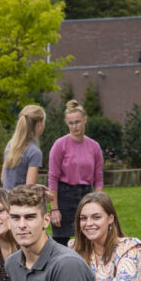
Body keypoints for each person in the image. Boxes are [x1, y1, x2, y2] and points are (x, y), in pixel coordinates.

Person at [48, 100, 104, 247]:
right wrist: (54, 208)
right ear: (67, 124)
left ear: (85, 120)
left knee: (89, 239)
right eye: (71, 123)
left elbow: (98, 178)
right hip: (64, 196)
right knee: (62, 243)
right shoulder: (60, 145)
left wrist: (99, 201)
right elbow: (52, 178)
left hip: (87, 195)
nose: (75, 126)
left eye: (78, 122)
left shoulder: (94, 146)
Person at [1, 105, 45, 189]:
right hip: (21, 200)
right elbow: (29, 188)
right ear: (39, 125)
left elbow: (4, 178)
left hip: (5, 199)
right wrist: (44, 193)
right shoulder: (35, 152)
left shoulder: (10, 145)